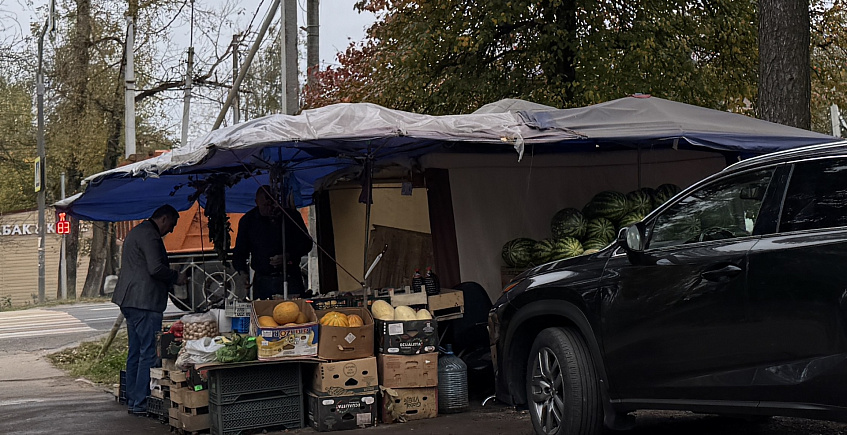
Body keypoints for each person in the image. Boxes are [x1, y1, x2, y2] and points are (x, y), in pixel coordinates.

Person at [112, 204, 187, 415]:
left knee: (135, 351)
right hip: (144, 302)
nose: (171, 231)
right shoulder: (151, 236)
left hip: (131, 301)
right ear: (163, 219)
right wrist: (176, 277)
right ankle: (141, 402)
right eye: (171, 225)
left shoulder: (137, 232)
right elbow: (155, 268)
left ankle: (133, 398)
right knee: (147, 352)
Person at [232, 186, 313, 299]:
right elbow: (240, 252)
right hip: (263, 280)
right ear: (257, 202)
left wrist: (288, 255)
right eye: (265, 205)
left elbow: (306, 243)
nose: (269, 209)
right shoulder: (248, 221)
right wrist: (242, 272)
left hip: (290, 276)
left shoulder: (290, 216)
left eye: (271, 204)